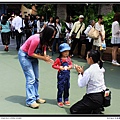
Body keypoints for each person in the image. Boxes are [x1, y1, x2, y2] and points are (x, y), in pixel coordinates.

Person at [18, 25, 57, 109]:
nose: (53, 36)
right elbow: (30, 53)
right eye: (52, 34)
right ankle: (30, 101)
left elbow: (44, 47)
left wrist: (45, 56)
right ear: (47, 33)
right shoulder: (36, 39)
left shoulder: (44, 39)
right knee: (31, 78)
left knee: (36, 78)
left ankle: (35, 97)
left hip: (33, 56)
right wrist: (43, 58)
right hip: (24, 55)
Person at [70, 49, 106, 114]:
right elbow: (92, 79)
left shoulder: (89, 71)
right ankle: (97, 107)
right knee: (85, 100)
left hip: (93, 97)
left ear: (91, 59)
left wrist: (80, 73)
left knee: (73, 110)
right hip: (102, 96)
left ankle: (94, 110)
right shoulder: (101, 68)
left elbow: (81, 84)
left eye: (87, 56)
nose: (86, 58)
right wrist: (82, 73)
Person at [52, 43, 72, 107]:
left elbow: (71, 64)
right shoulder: (58, 59)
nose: (66, 53)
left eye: (67, 51)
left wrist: (70, 67)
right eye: (64, 51)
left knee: (67, 87)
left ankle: (66, 99)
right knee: (60, 88)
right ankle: (59, 100)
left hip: (67, 76)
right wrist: (59, 67)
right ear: (61, 52)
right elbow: (54, 65)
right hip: (61, 76)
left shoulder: (68, 59)